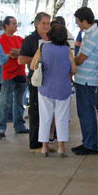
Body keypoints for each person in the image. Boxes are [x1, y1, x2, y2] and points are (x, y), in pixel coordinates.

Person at [30, 23, 76, 157]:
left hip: (46, 87)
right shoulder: (66, 50)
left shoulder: (43, 47)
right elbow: (73, 69)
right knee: (62, 117)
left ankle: (44, 146)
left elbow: (33, 65)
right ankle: (61, 147)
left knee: (45, 117)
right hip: (63, 88)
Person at [72, 7, 98, 156]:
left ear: (85, 21)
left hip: (87, 79)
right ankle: (87, 141)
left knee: (86, 112)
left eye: (78, 21)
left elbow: (80, 59)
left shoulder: (93, 35)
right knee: (83, 112)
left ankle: (90, 144)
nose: (78, 24)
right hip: (84, 77)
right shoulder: (90, 34)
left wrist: (68, 60)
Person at [19, 12, 51, 153]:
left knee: (48, 112)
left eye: (48, 23)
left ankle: (45, 141)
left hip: (50, 79)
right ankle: (35, 144)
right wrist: (37, 58)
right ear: (36, 23)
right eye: (43, 23)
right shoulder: (30, 40)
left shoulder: (52, 38)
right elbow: (21, 59)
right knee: (36, 111)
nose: (46, 26)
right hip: (35, 80)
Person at [0, 16, 29, 137]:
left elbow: (22, 52)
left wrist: (17, 51)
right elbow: (11, 53)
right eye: (13, 24)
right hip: (8, 75)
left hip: (20, 74)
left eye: (16, 23)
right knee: (4, 103)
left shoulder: (19, 39)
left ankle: (19, 126)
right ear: (6, 25)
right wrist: (17, 52)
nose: (16, 26)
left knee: (19, 103)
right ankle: (0, 127)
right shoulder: (1, 40)